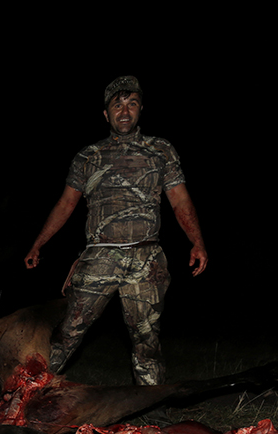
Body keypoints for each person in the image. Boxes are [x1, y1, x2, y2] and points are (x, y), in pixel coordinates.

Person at [23, 75, 206, 386]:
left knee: (146, 339)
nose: (125, 110)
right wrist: (38, 244)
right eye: (117, 105)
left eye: (131, 103)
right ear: (106, 114)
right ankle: (25, 393)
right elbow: (66, 204)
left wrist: (197, 242)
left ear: (141, 109)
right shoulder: (88, 156)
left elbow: (180, 200)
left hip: (146, 260)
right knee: (68, 331)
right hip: (99, 256)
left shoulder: (161, 150)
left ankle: (150, 409)